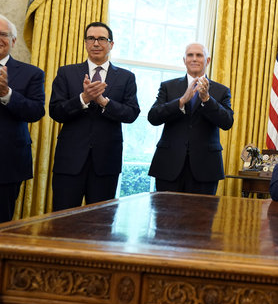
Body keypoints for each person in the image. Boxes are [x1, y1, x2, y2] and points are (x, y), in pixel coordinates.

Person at [49, 22, 140, 211]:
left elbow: (131, 113)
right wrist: (83, 98)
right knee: (63, 219)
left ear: (111, 44)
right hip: (70, 161)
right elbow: (55, 111)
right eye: (91, 38)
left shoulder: (126, 77)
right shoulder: (66, 72)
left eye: (101, 39)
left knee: (101, 221)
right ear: (85, 43)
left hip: (106, 162)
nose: (96, 43)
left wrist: (103, 101)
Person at [148, 43, 234, 195]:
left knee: (202, 211)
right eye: (190, 55)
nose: (194, 59)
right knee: (165, 211)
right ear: (184, 60)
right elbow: (153, 117)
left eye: (199, 55)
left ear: (207, 61)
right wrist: (181, 101)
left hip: (205, 168)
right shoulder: (168, 87)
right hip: (169, 165)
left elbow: (227, 122)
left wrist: (207, 99)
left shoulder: (221, 91)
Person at [0, 14, 45, 222]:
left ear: (13, 40)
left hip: (7, 163)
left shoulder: (32, 73)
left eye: (3, 34)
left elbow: (36, 112)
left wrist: (7, 94)